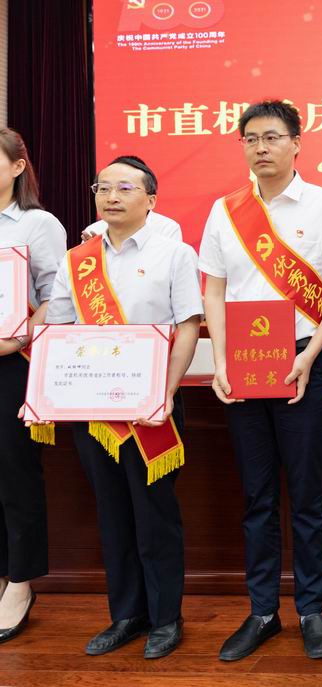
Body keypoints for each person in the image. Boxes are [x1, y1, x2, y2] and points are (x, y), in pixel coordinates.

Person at [199, 100, 322, 661]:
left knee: (308, 494)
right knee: (257, 495)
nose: (261, 147)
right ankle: (262, 611)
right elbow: (214, 289)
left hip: (302, 360)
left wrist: (312, 354)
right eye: (251, 139)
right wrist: (222, 360)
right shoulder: (225, 211)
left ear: (296, 143)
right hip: (244, 364)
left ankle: (311, 610)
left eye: (271, 137)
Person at [43, 155, 202, 659]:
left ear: (151, 199)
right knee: (111, 515)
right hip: (94, 410)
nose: (111, 196)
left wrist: (167, 392)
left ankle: (165, 618)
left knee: (155, 515)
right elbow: (59, 331)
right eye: (103, 187)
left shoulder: (174, 254)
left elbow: (188, 327)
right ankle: (127, 615)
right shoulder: (78, 260)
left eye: (125, 188)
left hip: (152, 407)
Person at [0, 128, 66, 643]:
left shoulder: (37, 224)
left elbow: (57, 297)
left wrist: (16, 336)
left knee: (14, 473)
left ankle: (20, 581)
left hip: (13, 363)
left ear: (18, 166)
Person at [81, 210, 182, 242]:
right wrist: (95, 255)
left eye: (125, 189)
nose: (113, 197)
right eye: (104, 189)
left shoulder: (167, 228)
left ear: (150, 200)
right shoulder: (94, 229)